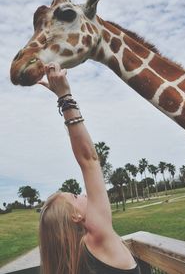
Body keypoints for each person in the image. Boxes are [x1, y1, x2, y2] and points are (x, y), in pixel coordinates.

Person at [38, 62, 141, 274]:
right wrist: (64, 97)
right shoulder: (98, 237)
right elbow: (89, 160)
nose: (83, 194)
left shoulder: (72, 259)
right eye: (75, 197)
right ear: (76, 217)